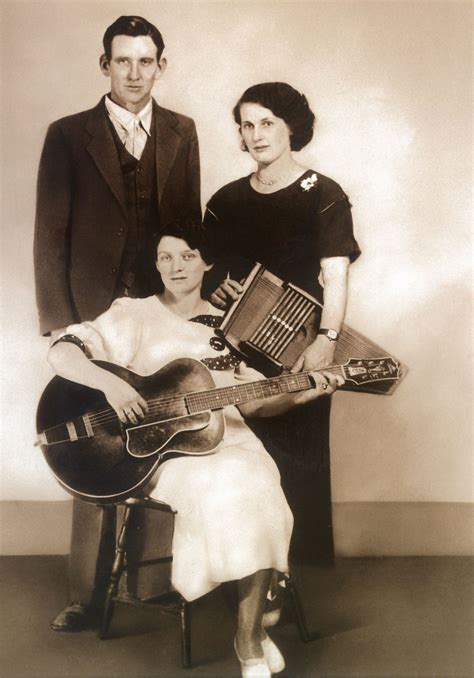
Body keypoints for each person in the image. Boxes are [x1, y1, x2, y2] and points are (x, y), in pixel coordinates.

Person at [47, 219, 342, 677]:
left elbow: (258, 403)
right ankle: (258, 624)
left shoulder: (226, 328)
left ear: (207, 262)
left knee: (256, 482)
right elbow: (62, 354)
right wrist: (111, 386)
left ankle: (247, 637)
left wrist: (306, 391)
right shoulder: (132, 314)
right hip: (166, 453)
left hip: (231, 441)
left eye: (187, 255)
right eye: (165, 256)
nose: (175, 266)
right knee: (228, 489)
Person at [33, 15, 201, 631]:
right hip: (92, 307)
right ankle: (88, 595)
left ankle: (154, 581)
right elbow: (50, 232)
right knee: (95, 444)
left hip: (158, 308)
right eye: (122, 61)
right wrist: (59, 324)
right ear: (104, 64)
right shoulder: (68, 135)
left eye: (146, 61)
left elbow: (186, 229)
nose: (135, 73)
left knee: (163, 428)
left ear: (163, 64)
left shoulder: (182, 132)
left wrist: (186, 297)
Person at [203, 82, 361, 576]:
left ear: (292, 126)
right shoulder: (225, 200)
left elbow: (335, 273)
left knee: (298, 458)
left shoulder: (325, 194)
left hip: (300, 346)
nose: (256, 134)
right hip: (234, 354)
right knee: (240, 459)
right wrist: (215, 289)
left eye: (267, 122)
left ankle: (294, 581)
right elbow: (206, 273)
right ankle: (245, 573)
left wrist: (326, 342)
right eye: (247, 125)